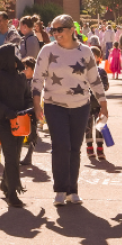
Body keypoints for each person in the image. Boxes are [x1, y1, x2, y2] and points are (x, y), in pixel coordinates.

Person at [32, 14, 107, 206]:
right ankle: (60, 189)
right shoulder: (47, 51)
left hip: (81, 106)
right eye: (53, 30)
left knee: (75, 148)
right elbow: (37, 77)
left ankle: (72, 190)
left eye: (59, 30)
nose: (55, 33)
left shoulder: (85, 52)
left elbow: (94, 80)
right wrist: (36, 103)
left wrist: (103, 104)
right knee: (60, 146)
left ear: (72, 30)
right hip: (54, 105)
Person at [0, 43, 30, 207]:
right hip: (4, 123)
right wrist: (6, 111)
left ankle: (5, 184)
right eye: (13, 55)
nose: (17, 58)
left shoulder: (20, 76)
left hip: (20, 123)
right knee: (11, 156)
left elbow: (27, 96)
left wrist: (27, 108)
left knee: (15, 156)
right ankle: (12, 194)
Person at [85, 46, 111, 160]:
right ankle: (89, 147)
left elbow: (106, 85)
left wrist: (99, 88)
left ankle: (100, 149)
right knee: (88, 127)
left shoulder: (101, 71)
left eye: (93, 56)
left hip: (99, 104)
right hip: (86, 104)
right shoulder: (83, 72)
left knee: (100, 126)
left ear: (98, 58)